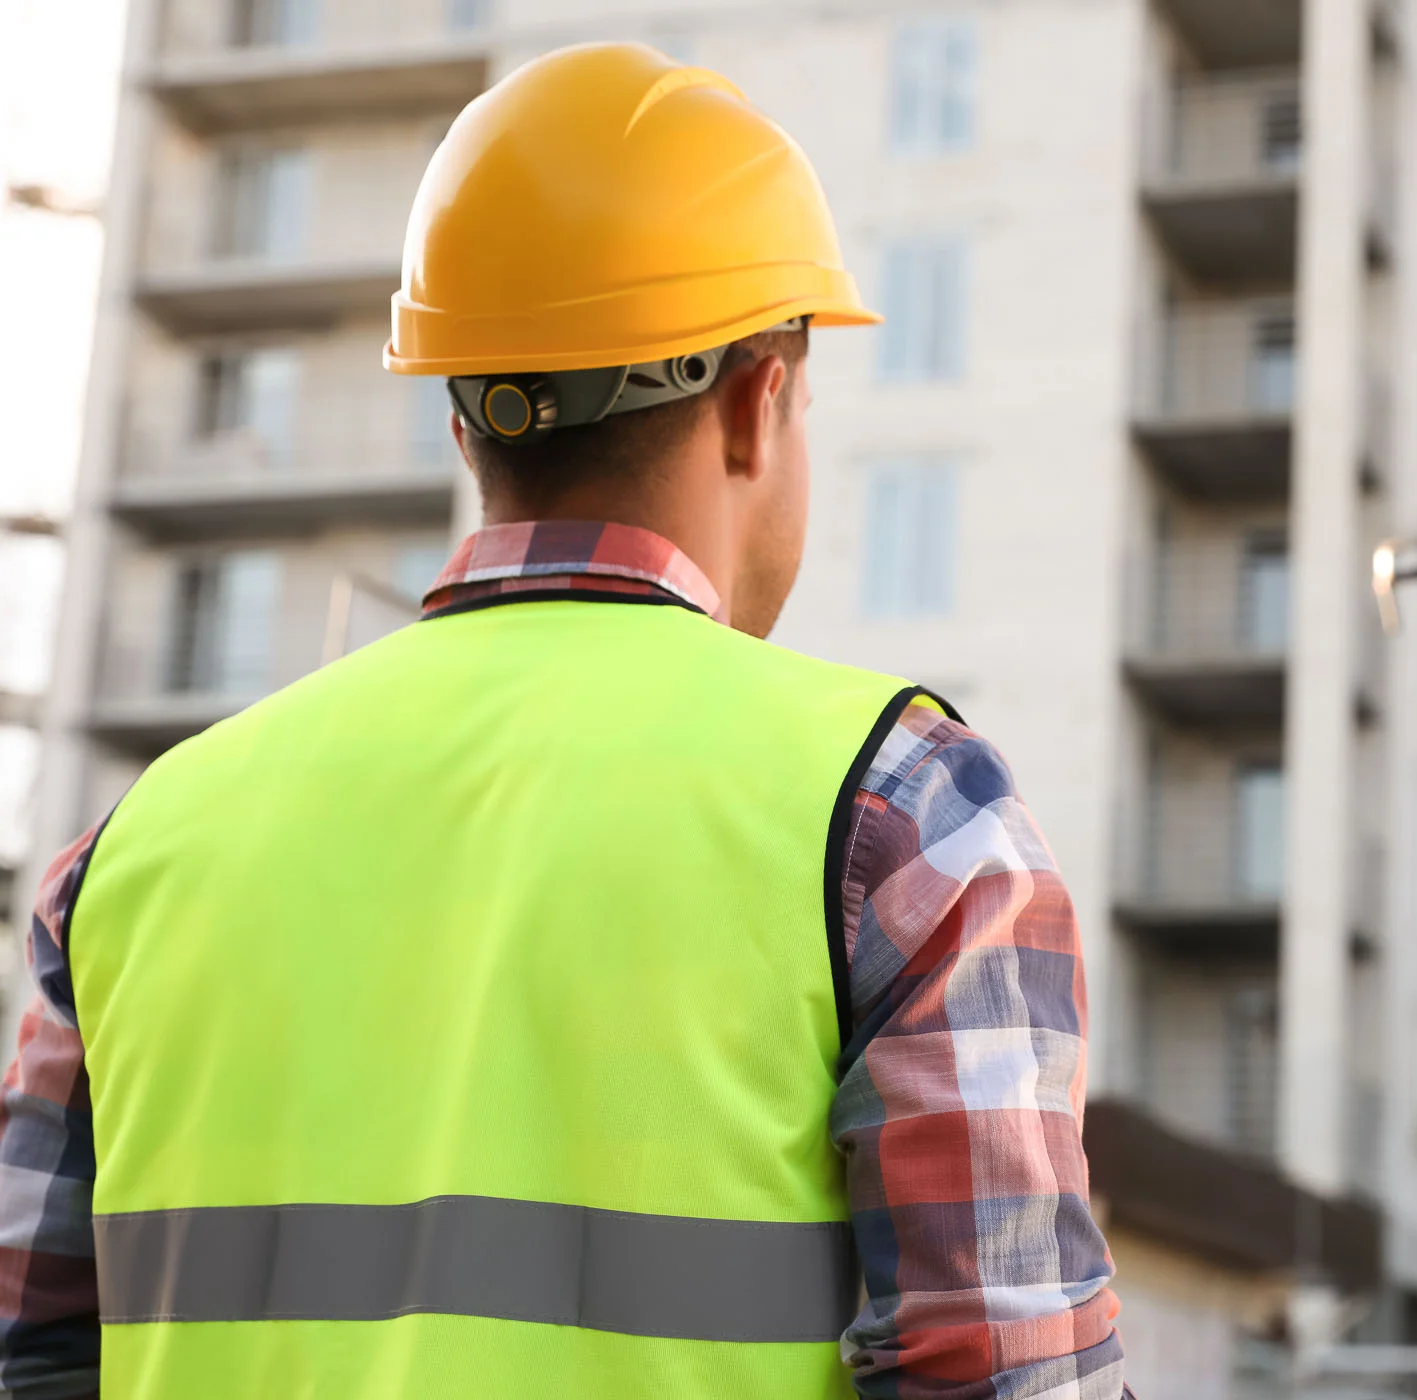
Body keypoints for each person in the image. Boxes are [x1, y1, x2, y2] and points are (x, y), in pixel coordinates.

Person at [0, 43, 1127, 1398]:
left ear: (467, 419)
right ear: (762, 401)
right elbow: (1005, 1377)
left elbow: (37, 1357)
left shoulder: (131, 855)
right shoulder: (902, 820)